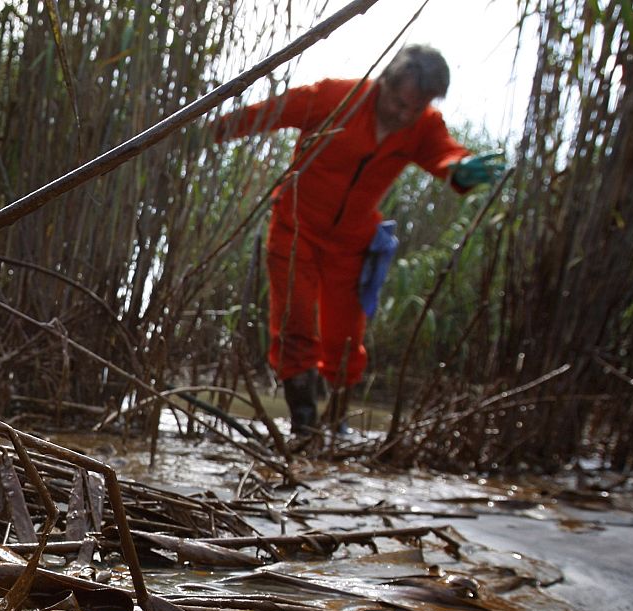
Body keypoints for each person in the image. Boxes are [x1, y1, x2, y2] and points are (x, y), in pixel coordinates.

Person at [208, 45, 503, 433]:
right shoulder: (335, 98)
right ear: (384, 82)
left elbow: (446, 157)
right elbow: (267, 113)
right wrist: (209, 131)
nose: (403, 115)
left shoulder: (423, 126)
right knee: (294, 321)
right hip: (295, 228)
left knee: (345, 340)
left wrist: (461, 169)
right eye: (398, 103)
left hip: (352, 243)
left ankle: (337, 423)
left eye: (415, 108)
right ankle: (304, 423)